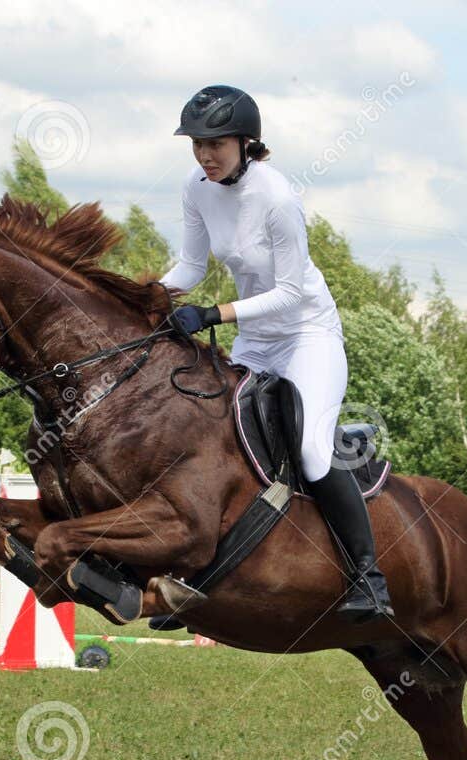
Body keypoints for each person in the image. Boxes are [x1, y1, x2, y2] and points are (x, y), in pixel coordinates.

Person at [158, 84, 393, 623]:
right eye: (196, 144)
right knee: (213, 438)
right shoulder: (196, 189)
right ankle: (195, 577)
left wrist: (212, 314)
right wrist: (145, 296)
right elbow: (190, 268)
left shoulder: (278, 198)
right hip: (258, 340)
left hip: (307, 334)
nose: (204, 155)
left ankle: (368, 577)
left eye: (214, 144)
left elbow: (289, 292)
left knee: (310, 451)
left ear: (246, 141)